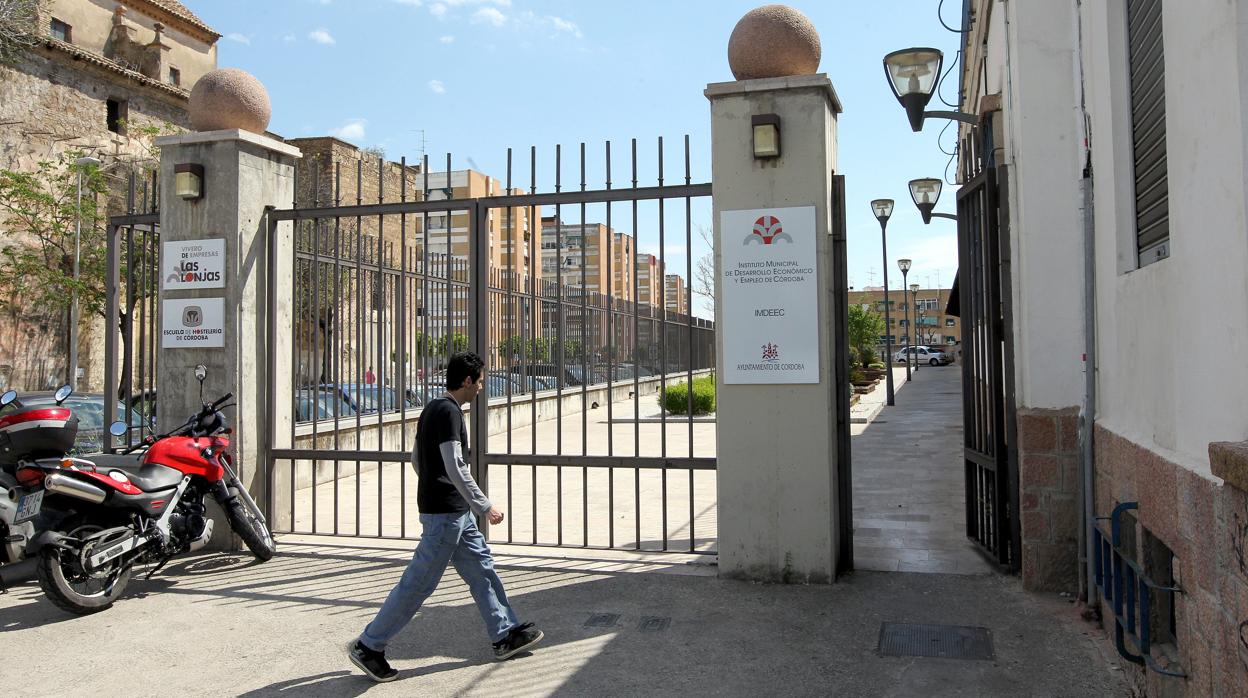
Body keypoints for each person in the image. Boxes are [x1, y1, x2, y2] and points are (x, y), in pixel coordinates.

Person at [347, 351, 542, 683]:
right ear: (467, 381)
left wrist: (435, 486)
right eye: (479, 381)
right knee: (418, 584)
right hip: (445, 516)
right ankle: (369, 645)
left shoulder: (432, 408)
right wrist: (484, 505)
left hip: (454, 513)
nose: (482, 387)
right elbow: (455, 466)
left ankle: (504, 632)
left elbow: (416, 458)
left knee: (482, 568)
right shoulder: (449, 412)